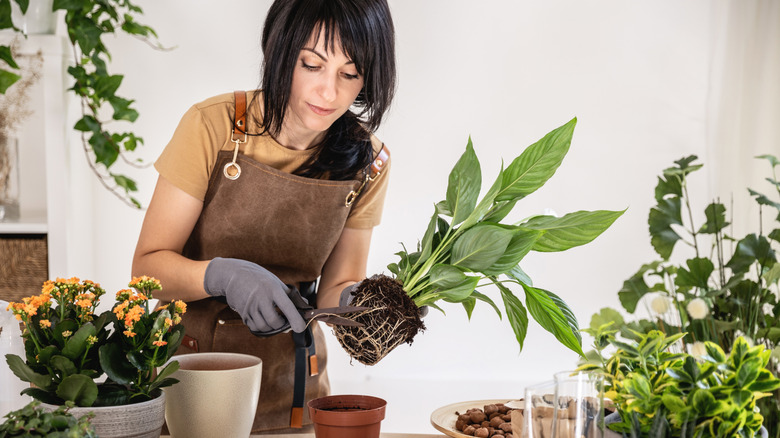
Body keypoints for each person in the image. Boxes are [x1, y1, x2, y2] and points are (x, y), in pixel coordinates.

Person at [131, 0, 396, 433]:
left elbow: (336, 287)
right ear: (280, 51)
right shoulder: (213, 127)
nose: (328, 92)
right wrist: (222, 276)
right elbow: (147, 269)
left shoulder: (369, 162)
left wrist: (354, 307)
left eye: (350, 74)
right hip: (190, 379)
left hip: (295, 389)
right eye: (311, 64)